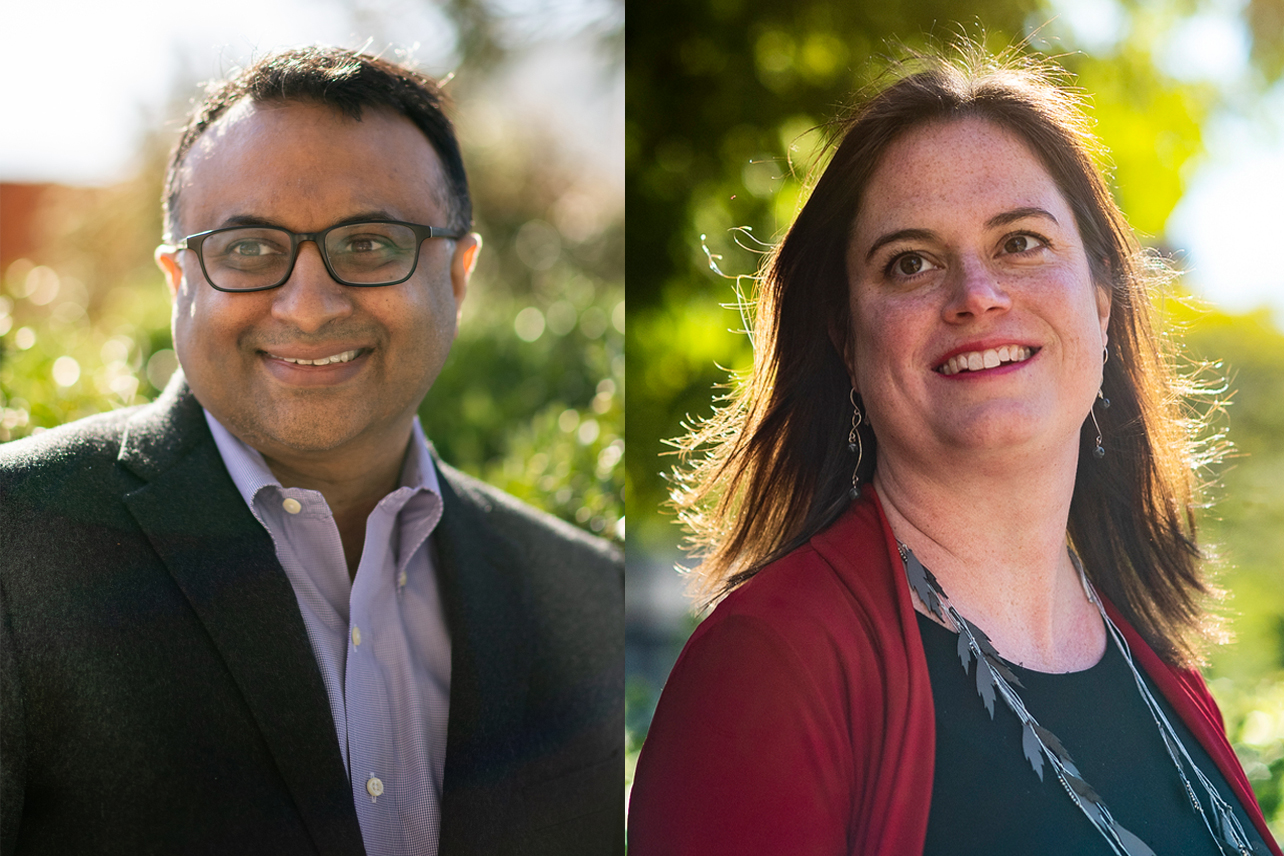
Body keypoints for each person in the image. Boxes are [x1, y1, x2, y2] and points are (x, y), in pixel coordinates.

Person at [628, 44, 1281, 856]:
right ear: (846, 341)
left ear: (1103, 306)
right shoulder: (769, 668)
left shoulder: (1162, 672)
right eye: (911, 263)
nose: (977, 294)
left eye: (1022, 243)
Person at [0, 46, 622, 856]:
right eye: (248, 248)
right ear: (178, 280)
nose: (308, 305)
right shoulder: (19, 546)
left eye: (369, 244)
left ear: (458, 274)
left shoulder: (581, 592)